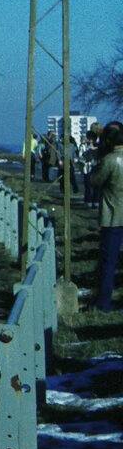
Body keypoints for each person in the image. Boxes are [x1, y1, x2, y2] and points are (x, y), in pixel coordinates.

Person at [87, 122, 123, 313]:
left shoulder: (109, 160)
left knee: (108, 263)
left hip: (113, 216)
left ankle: (103, 302)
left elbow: (94, 180)